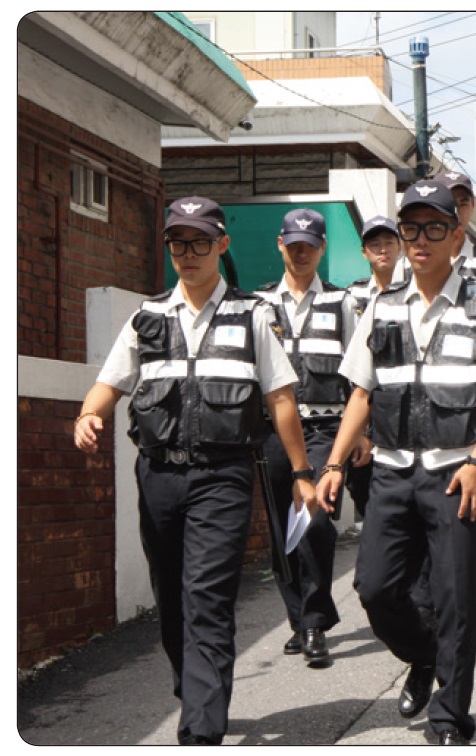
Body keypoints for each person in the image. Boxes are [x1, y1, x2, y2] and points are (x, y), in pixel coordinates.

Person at [72, 197, 318, 745]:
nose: (188, 253)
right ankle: (196, 687)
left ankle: (201, 730)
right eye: (178, 242)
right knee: (172, 597)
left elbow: (280, 400)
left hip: (222, 477)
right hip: (158, 476)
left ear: (221, 245)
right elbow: (110, 383)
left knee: (207, 594)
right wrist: (89, 414)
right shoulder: (147, 317)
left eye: (200, 241)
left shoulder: (253, 315)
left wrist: (301, 473)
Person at [316, 180, 476, 745]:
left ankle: (449, 717)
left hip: (458, 471)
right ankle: (423, 656)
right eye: (410, 228)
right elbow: (361, 392)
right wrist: (335, 464)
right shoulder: (381, 307)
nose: (420, 239)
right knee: (375, 589)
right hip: (390, 471)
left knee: (457, 600)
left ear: (456, 235)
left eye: (434, 227)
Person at [256, 208, 364, 666]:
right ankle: (298, 617)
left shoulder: (342, 304)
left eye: (310, 245)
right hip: (272, 433)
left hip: (324, 428)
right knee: (282, 531)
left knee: (315, 521)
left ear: (321, 250)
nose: (301, 253)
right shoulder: (257, 305)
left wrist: (363, 432)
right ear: (280, 245)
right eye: (293, 244)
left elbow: (363, 376)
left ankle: (316, 621)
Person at [343, 215, 406, 525]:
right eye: (375, 244)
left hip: (400, 408)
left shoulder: (413, 293)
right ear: (364, 252)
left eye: (389, 243)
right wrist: (360, 430)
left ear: (400, 248)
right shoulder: (350, 298)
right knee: (367, 495)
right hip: (363, 404)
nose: (383, 250)